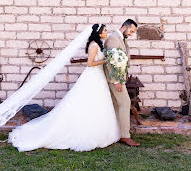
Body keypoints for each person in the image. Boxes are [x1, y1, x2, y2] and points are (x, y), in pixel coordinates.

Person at [8, 24, 120, 152]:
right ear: (99, 32)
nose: (107, 32)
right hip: (93, 76)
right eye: (105, 30)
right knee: (91, 102)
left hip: (98, 76)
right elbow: (90, 64)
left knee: (98, 103)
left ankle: (101, 131)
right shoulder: (94, 46)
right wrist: (105, 61)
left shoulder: (98, 45)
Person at [103, 19, 140, 147]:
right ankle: (125, 136)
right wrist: (117, 81)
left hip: (118, 78)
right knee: (125, 103)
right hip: (115, 79)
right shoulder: (113, 39)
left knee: (116, 104)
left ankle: (117, 133)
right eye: (131, 31)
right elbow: (113, 63)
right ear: (124, 27)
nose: (131, 34)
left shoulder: (121, 39)